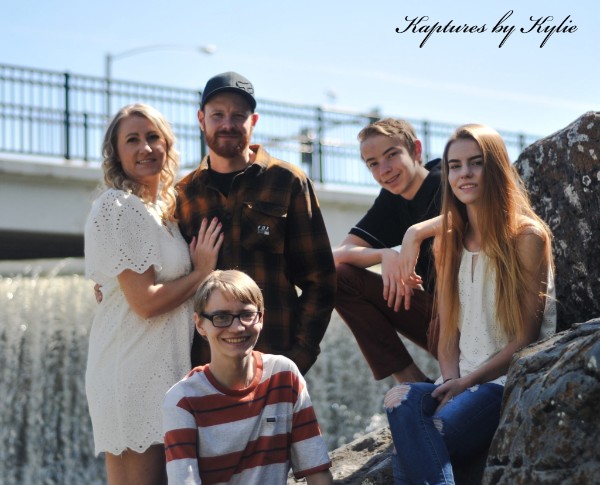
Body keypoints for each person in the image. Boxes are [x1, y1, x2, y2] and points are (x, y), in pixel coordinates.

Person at [384, 124, 556, 484]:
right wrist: (451, 382)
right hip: (459, 381)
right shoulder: (449, 243)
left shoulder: (527, 237)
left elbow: (525, 339)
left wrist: (466, 384)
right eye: (455, 166)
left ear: (496, 168)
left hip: (505, 382)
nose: (464, 174)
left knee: (414, 443)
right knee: (398, 399)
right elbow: (449, 336)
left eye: (475, 163)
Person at [84, 103, 223, 485]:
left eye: (153, 137)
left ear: (167, 145)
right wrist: (202, 273)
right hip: (131, 368)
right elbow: (145, 302)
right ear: (116, 153)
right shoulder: (118, 205)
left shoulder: (160, 210)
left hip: (155, 367)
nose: (145, 147)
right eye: (132, 140)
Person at [176, 71, 336, 374]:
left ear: (254, 121)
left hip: (275, 363)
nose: (227, 124)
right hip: (204, 371)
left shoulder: (288, 181)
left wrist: (298, 357)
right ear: (201, 119)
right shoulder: (184, 195)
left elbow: (320, 280)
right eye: (217, 115)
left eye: (238, 115)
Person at [162, 269, 333, 484]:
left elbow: (317, 473)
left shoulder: (284, 375)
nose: (237, 327)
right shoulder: (182, 401)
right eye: (221, 317)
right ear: (199, 324)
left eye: (246, 315)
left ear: (261, 318)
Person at [333, 118, 442, 383]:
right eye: (373, 164)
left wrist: (415, 233)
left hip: (483, 315)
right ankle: (412, 380)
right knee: (337, 277)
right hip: (440, 321)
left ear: (416, 150)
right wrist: (384, 255)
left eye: (392, 155)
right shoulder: (392, 200)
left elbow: (473, 217)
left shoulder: (447, 179)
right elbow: (335, 256)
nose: (384, 169)